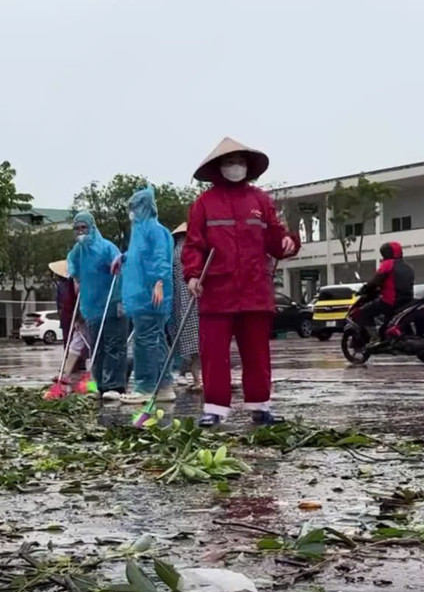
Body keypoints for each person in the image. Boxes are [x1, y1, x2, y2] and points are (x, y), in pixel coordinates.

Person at [182, 137, 299, 427]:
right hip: (217, 292)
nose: (236, 167)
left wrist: (288, 242)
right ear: (219, 167)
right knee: (214, 356)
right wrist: (193, 274)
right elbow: (193, 245)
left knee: (257, 354)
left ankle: (261, 407)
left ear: (248, 167)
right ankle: (214, 409)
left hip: (255, 291)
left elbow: (276, 238)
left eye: (240, 162)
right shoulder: (203, 204)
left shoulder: (260, 200)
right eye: (230, 162)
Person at [119, 186, 175, 408]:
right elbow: (139, 258)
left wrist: (159, 282)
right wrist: (122, 259)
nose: (132, 211)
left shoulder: (153, 230)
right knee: (157, 340)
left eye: (135, 207)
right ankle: (164, 386)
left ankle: (145, 387)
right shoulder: (141, 232)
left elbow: (160, 258)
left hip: (150, 296)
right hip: (144, 296)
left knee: (145, 342)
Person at [67, 212, 128, 399]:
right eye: (77, 228)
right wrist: (76, 280)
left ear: (92, 227)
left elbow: (121, 268)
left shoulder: (106, 248)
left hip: (113, 303)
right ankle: (101, 384)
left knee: (114, 346)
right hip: (92, 308)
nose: (80, 232)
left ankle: (116, 386)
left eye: (83, 228)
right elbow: (73, 269)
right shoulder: (78, 251)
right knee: (97, 347)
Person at [357, 241, 415, 342]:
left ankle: (374, 338)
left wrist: (366, 289)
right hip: (407, 301)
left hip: (390, 301)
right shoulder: (408, 266)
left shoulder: (387, 264)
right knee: (387, 323)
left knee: (363, 312)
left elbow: (375, 281)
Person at [169, 223, 202, 391]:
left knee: (190, 344)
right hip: (194, 298)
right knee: (198, 344)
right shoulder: (191, 249)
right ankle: (198, 379)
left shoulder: (175, 251)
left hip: (182, 301)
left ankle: (197, 379)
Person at [50, 260, 87, 381]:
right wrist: (75, 317)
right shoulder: (70, 283)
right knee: (75, 343)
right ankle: (66, 373)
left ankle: (94, 378)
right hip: (77, 317)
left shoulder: (89, 280)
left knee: (94, 346)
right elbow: (69, 302)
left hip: (93, 316)